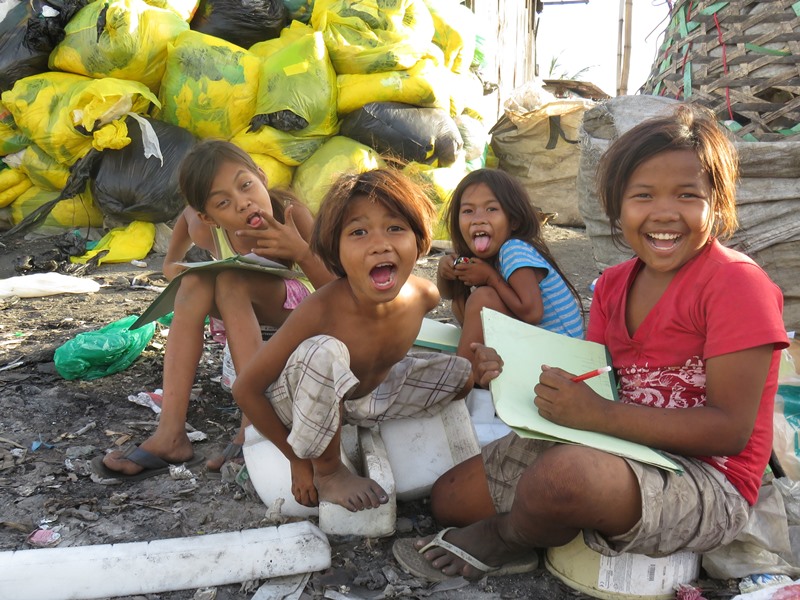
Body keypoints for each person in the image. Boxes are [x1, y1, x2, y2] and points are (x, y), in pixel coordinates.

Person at [392, 104, 789, 581]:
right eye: (643, 195)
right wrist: (511, 370)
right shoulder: (613, 285)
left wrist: (599, 417)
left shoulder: (736, 284)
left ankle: (507, 539)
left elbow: (729, 431)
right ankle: (542, 525)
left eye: (688, 195)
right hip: (615, 440)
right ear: (616, 208)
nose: (664, 212)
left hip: (706, 477)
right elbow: (593, 378)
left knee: (565, 477)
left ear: (718, 204)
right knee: (449, 498)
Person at [232, 168, 474, 511]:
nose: (380, 244)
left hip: (361, 398)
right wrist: (298, 461)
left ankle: (346, 420)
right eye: (359, 232)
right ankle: (330, 472)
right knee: (326, 351)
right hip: (294, 405)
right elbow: (245, 390)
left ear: (420, 241)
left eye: (395, 228)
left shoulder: (424, 297)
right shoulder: (322, 309)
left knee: (463, 373)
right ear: (336, 251)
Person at [95, 139, 334, 479]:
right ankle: (170, 434)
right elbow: (186, 215)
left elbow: (335, 290)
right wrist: (171, 262)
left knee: (230, 281)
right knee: (193, 283)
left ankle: (252, 426)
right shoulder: (205, 227)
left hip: (304, 306)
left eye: (246, 185)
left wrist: (300, 251)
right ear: (210, 216)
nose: (242, 203)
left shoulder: (292, 217)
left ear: (262, 177)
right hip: (244, 304)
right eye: (224, 202)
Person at [436, 168, 583, 377]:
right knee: (461, 301)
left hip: (563, 355)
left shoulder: (513, 249)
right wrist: (445, 271)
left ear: (513, 220)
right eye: (468, 211)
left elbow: (532, 313)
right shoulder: (489, 254)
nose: (478, 219)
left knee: (482, 299)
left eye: (491, 209)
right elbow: (448, 295)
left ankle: (460, 380)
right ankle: (476, 367)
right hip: (541, 346)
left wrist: (489, 277)